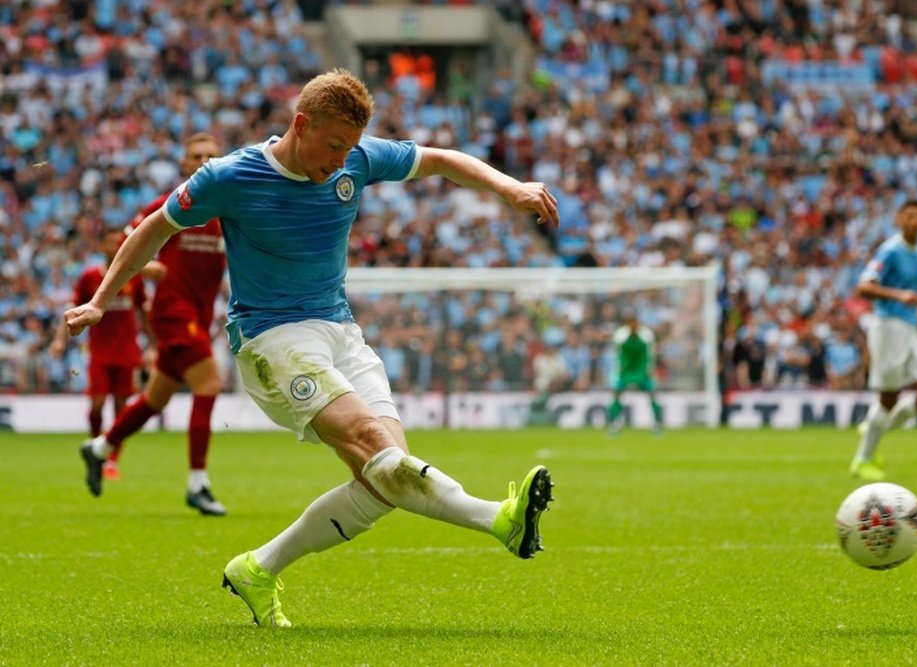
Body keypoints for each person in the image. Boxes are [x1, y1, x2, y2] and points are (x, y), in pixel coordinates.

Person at [65, 69, 558, 627]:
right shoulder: (231, 176)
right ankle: (502, 519)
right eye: (333, 146)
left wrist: (510, 187)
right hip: (272, 338)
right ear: (301, 125)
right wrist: (102, 300)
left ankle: (258, 568)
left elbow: (440, 159)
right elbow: (154, 228)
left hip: (341, 334)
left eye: (350, 147)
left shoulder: (357, 159)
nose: (342, 160)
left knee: (385, 480)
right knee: (375, 446)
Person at [82, 133, 228, 516]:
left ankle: (98, 448)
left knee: (156, 398)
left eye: (211, 156)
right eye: (195, 155)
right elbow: (122, 246)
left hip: (199, 315)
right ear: (183, 164)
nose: (203, 161)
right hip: (172, 313)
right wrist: (147, 266)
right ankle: (198, 483)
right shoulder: (169, 205)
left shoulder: (228, 213)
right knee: (209, 384)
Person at [851, 200, 917, 481]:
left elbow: (912, 290)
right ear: (899, 219)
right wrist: (897, 296)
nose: (914, 221)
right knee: (889, 398)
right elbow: (863, 286)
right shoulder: (890, 250)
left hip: (910, 328)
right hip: (889, 326)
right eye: (909, 216)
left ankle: (873, 426)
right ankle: (862, 459)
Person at [51, 227, 148, 441]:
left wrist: (153, 345)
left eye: (119, 242)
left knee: (121, 406)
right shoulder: (89, 277)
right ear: (101, 246)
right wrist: (59, 340)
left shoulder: (135, 276)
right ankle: (95, 444)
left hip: (127, 351)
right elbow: (71, 308)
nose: (116, 246)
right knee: (97, 404)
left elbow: (144, 311)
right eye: (111, 242)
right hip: (99, 352)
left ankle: (112, 457)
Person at [606, 314, 664, 435]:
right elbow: (617, 356)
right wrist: (618, 371)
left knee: (652, 393)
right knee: (616, 393)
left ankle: (657, 424)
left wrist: (650, 371)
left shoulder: (646, 336)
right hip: (625, 372)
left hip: (642, 372)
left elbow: (650, 356)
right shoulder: (620, 336)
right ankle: (613, 424)